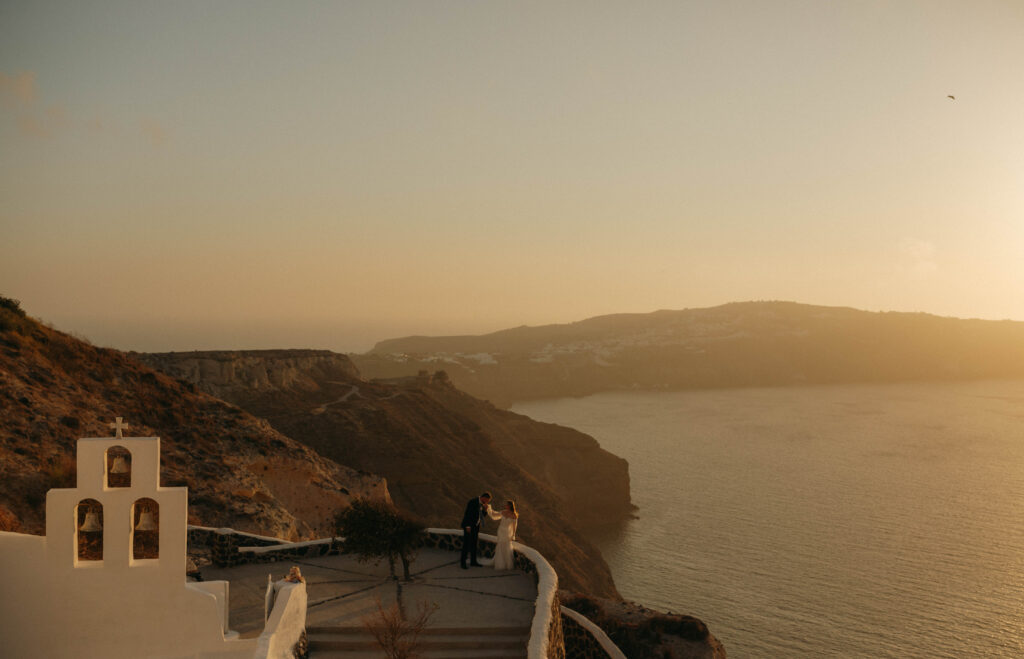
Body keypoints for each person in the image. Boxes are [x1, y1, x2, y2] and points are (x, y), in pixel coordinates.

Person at [460, 491, 499, 569]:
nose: (487, 502)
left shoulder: (483, 504)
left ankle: (473, 562)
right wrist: (467, 526)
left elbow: (482, 516)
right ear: (484, 498)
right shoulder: (472, 501)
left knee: (474, 544)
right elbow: (468, 514)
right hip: (469, 526)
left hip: (476, 526)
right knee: (466, 545)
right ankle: (463, 563)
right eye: (487, 500)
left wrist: (485, 510)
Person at [493, 500, 519, 571]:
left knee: (507, 546)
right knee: (500, 546)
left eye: (506, 505)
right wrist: (489, 509)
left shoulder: (514, 515)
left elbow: (514, 526)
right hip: (500, 530)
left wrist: (513, 535)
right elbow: (495, 515)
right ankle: (499, 564)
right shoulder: (503, 512)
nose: (505, 506)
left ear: (510, 506)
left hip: (507, 532)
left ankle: (507, 564)